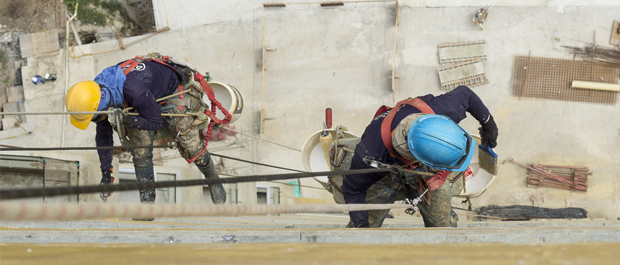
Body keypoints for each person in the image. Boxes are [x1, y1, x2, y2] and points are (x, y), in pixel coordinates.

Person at [64, 53, 227, 213]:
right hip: (143, 99)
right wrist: (106, 172)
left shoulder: (134, 91)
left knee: (191, 146)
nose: (95, 121)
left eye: (94, 118)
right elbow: (103, 135)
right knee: (140, 152)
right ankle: (147, 203)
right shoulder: (95, 92)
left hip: (169, 96)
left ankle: (213, 180)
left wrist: (130, 121)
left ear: (101, 107)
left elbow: (155, 122)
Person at [342, 85, 498, 228]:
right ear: (424, 159)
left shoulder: (440, 109)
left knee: (444, 228)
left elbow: (466, 94)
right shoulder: (370, 154)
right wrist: (360, 224)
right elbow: (352, 188)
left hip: (424, 173)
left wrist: (488, 124)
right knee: (364, 232)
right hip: (382, 175)